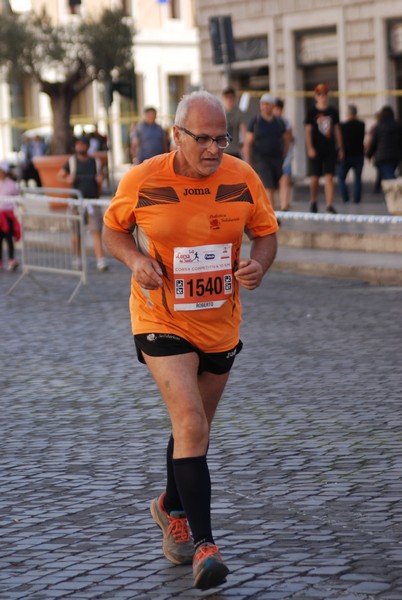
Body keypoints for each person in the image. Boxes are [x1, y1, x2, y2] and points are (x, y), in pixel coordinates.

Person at [102, 90, 278, 591]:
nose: (214, 149)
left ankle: (168, 505)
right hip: (160, 315)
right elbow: (112, 231)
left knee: (193, 429)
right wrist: (136, 261)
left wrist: (257, 264)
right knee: (191, 420)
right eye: (202, 139)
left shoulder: (242, 178)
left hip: (220, 321)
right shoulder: (144, 179)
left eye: (221, 138)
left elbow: (266, 233)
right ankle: (205, 545)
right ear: (177, 136)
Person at [57, 135, 108, 272]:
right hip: (76, 202)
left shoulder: (95, 162)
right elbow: (59, 176)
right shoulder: (71, 162)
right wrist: (68, 179)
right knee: (76, 232)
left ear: (87, 146)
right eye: (78, 145)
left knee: (96, 230)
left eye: (83, 145)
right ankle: (77, 258)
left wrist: (100, 179)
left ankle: (100, 259)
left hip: (92, 201)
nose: (80, 147)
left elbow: (102, 176)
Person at [243, 92, 289, 208]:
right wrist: (248, 162)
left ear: (273, 106)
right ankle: (271, 216)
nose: (265, 107)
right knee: (268, 186)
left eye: (267, 104)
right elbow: (248, 142)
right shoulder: (255, 121)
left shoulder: (279, 122)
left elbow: (286, 139)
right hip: (261, 158)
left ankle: (272, 211)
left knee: (274, 186)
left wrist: (284, 153)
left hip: (276, 158)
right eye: (263, 104)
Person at [304, 83, 344, 213]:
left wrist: (340, 147)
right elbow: (308, 130)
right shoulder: (312, 112)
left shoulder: (333, 111)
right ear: (316, 96)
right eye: (320, 94)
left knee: (329, 176)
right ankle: (313, 200)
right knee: (315, 177)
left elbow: (337, 130)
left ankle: (329, 204)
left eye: (325, 94)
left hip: (329, 148)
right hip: (316, 148)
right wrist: (310, 147)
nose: (323, 97)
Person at [337, 104, 366, 204]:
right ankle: (356, 198)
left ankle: (345, 197)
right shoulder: (361, 125)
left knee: (341, 177)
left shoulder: (342, 126)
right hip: (358, 154)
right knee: (358, 179)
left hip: (346, 155)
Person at [366, 105, 402, 182]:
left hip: (382, 156)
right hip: (395, 155)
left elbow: (374, 142)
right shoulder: (398, 125)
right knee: (388, 174)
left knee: (390, 178)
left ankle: (396, 189)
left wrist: (369, 154)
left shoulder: (378, 126)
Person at [273, 97, 295, 211]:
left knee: (285, 179)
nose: (278, 111)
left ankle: (284, 204)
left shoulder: (285, 122)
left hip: (285, 157)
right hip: (272, 157)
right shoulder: (267, 122)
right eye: (276, 108)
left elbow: (290, 137)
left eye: (279, 109)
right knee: (272, 183)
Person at [0, 161, 21, 271]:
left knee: (9, 238)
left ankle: (11, 259)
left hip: (7, 215)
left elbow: (17, 197)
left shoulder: (11, 184)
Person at [221, 86, 247, 159]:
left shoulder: (239, 113)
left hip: (235, 151)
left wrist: (245, 149)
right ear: (223, 98)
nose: (229, 100)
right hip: (222, 151)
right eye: (227, 97)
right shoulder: (219, 112)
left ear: (234, 99)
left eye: (231, 97)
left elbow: (243, 132)